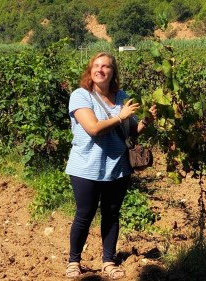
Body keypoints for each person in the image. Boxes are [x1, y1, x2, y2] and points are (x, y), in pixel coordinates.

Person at [65, 52, 157, 279]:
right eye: (96, 66)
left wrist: (146, 121)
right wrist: (120, 115)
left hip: (117, 167)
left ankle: (108, 261)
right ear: (90, 70)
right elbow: (94, 129)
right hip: (86, 166)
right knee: (84, 214)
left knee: (111, 214)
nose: (100, 70)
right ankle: (74, 261)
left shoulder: (121, 96)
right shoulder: (80, 96)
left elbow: (130, 131)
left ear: (113, 72)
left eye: (106, 66)